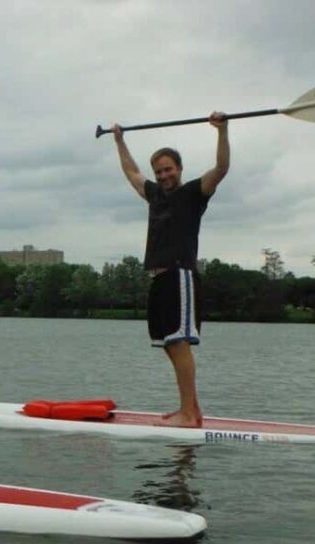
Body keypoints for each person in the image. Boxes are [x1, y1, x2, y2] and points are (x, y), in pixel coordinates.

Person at [111, 113, 229, 427]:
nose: (163, 175)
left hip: (181, 276)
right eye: (159, 171)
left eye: (168, 169)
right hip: (159, 278)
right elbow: (132, 172)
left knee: (179, 343)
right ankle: (192, 410)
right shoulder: (154, 195)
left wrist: (222, 130)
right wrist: (119, 141)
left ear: (179, 169)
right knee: (169, 346)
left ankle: (188, 414)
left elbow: (221, 169)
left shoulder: (194, 193)